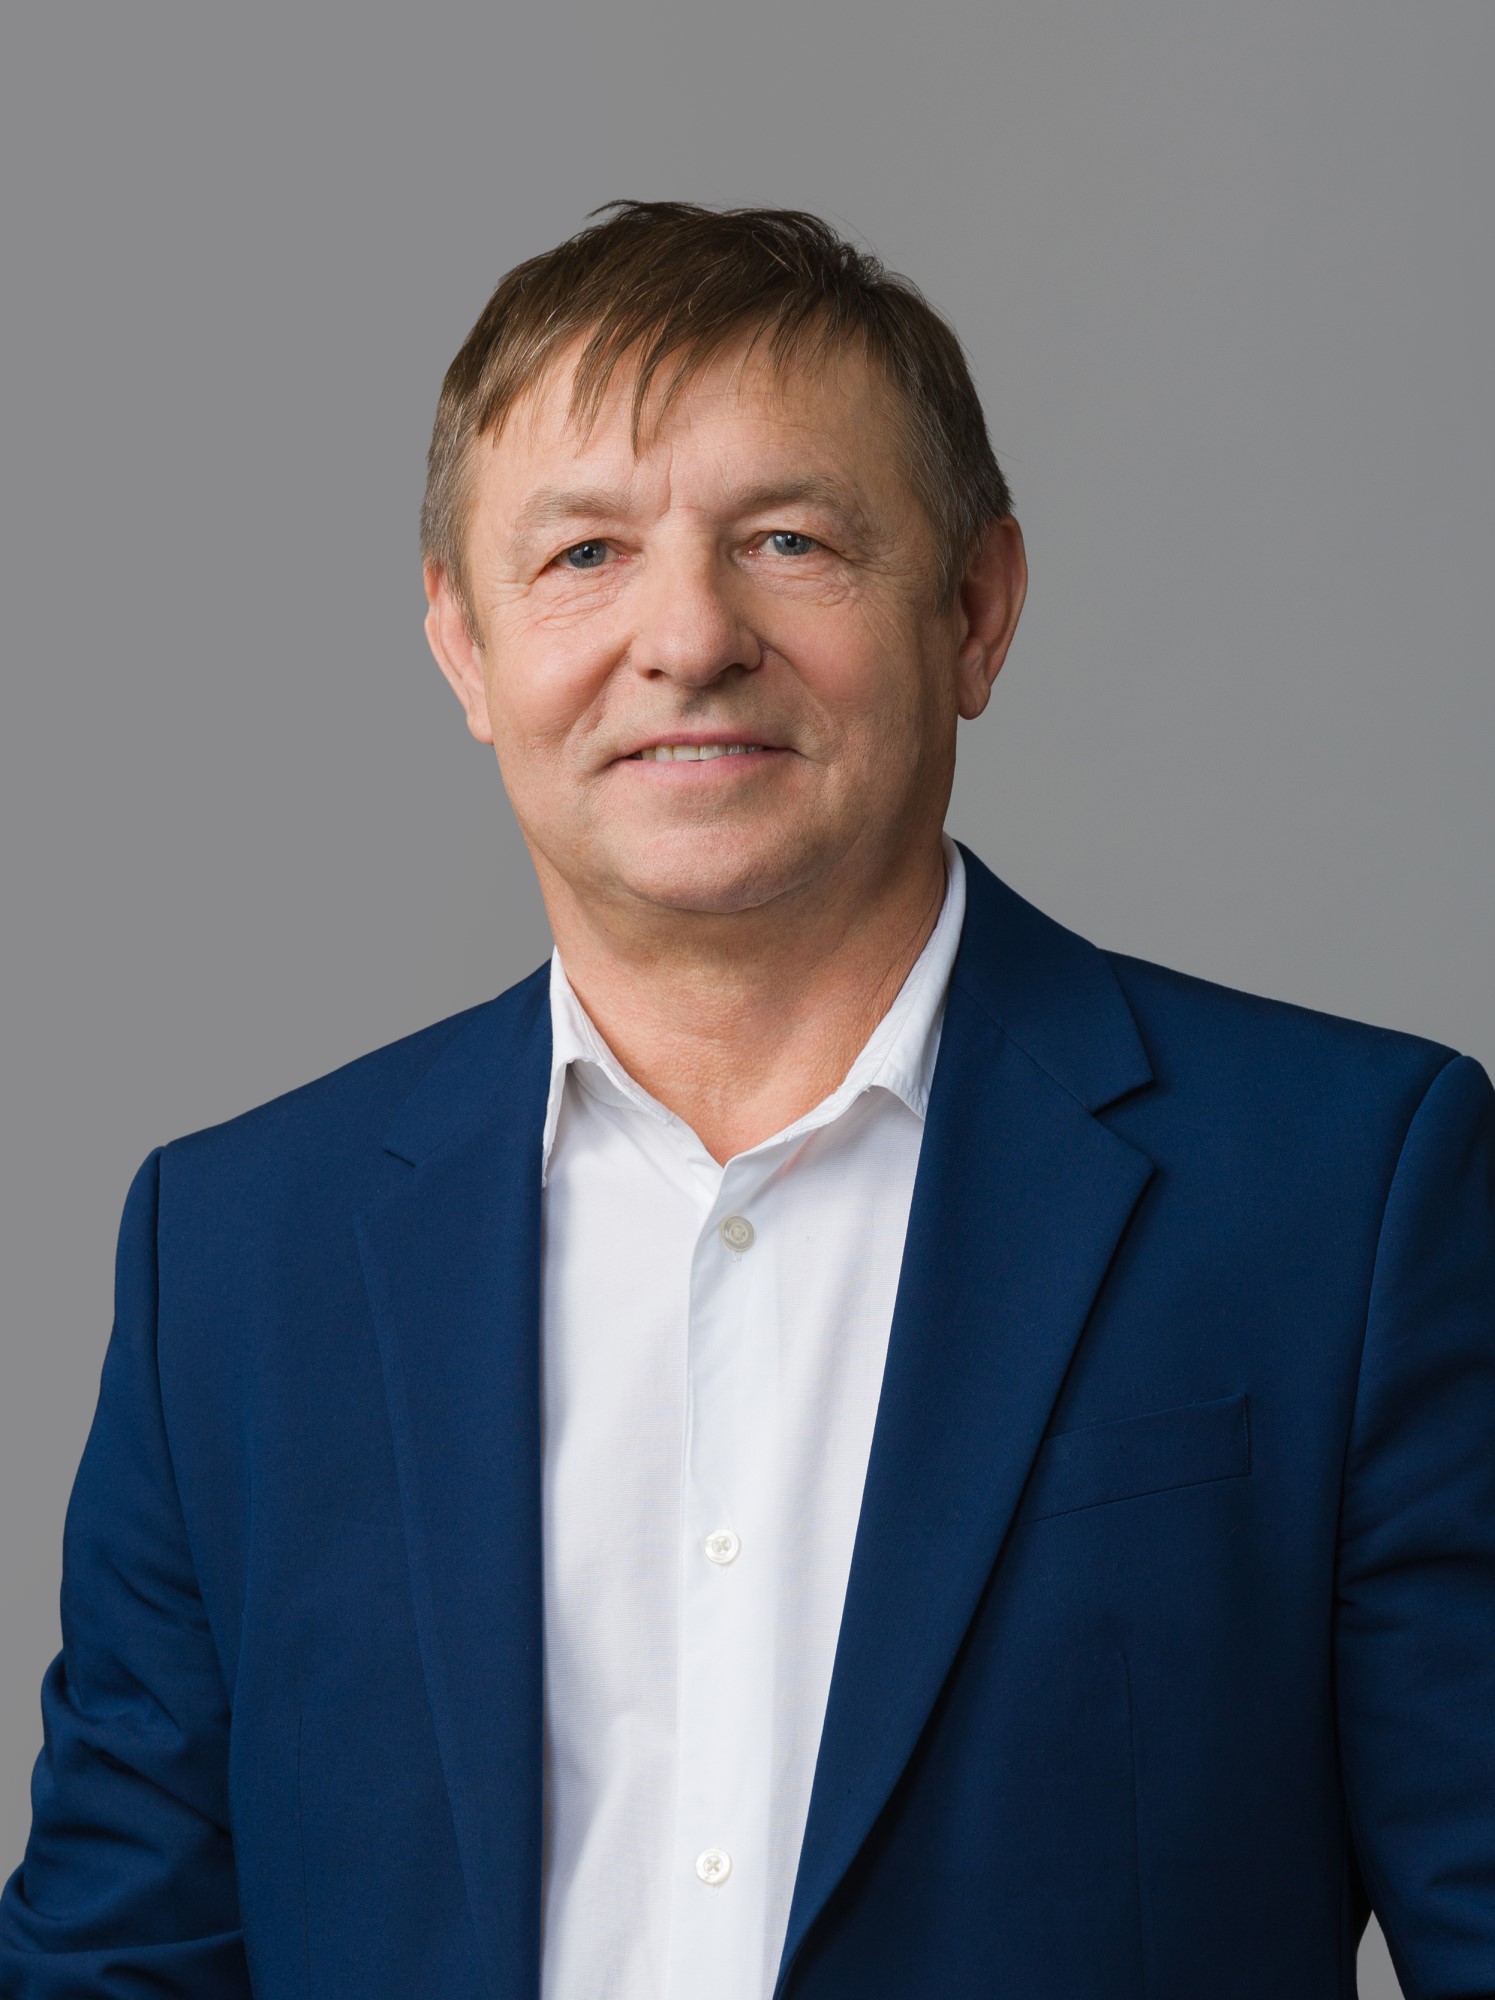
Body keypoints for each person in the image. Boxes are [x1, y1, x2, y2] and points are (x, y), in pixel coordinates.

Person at [1, 199, 1491, 2000]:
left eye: (789, 541)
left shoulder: (1349, 1196)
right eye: (584, 555)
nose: (689, 637)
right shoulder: (236, 1259)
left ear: (976, 612)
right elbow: (114, 1963)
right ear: (464, 646)